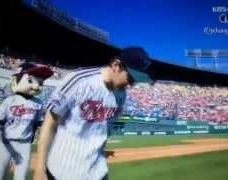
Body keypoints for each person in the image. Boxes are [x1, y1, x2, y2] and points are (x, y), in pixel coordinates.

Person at [34, 47, 152, 180]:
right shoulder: (80, 79)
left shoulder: (121, 95)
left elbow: (102, 129)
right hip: (63, 171)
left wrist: (97, 149)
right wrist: (39, 169)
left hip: (97, 172)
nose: (131, 85)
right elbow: (50, 121)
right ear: (116, 65)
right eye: (130, 78)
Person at [0, 63, 53, 180]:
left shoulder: (38, 103)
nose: (37, 86)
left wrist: (38, 133)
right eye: (31, 81)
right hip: (6, 143)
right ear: (17, 79)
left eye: (40, 82)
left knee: (21, 176)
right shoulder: (10, 100)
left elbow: (38, 122)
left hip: (25, 144)